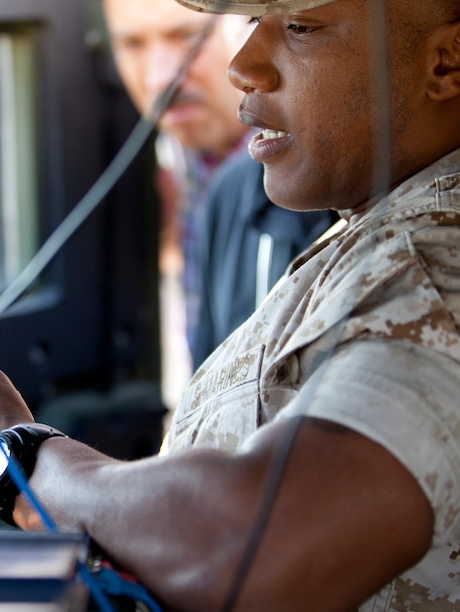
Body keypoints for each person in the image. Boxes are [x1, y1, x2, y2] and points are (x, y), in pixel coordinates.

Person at [0, 0, 460, 609]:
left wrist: (15, 459)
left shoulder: (455, 272)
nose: (244, 63)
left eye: (300, 26)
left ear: (453, 59)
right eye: (256, 20)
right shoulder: (389, 232)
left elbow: (261, 555)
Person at [101, 0, 332, 402]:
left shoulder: (318, 180)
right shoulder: (171, 167)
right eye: (132, 44)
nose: (160, 77)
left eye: (188, 37)